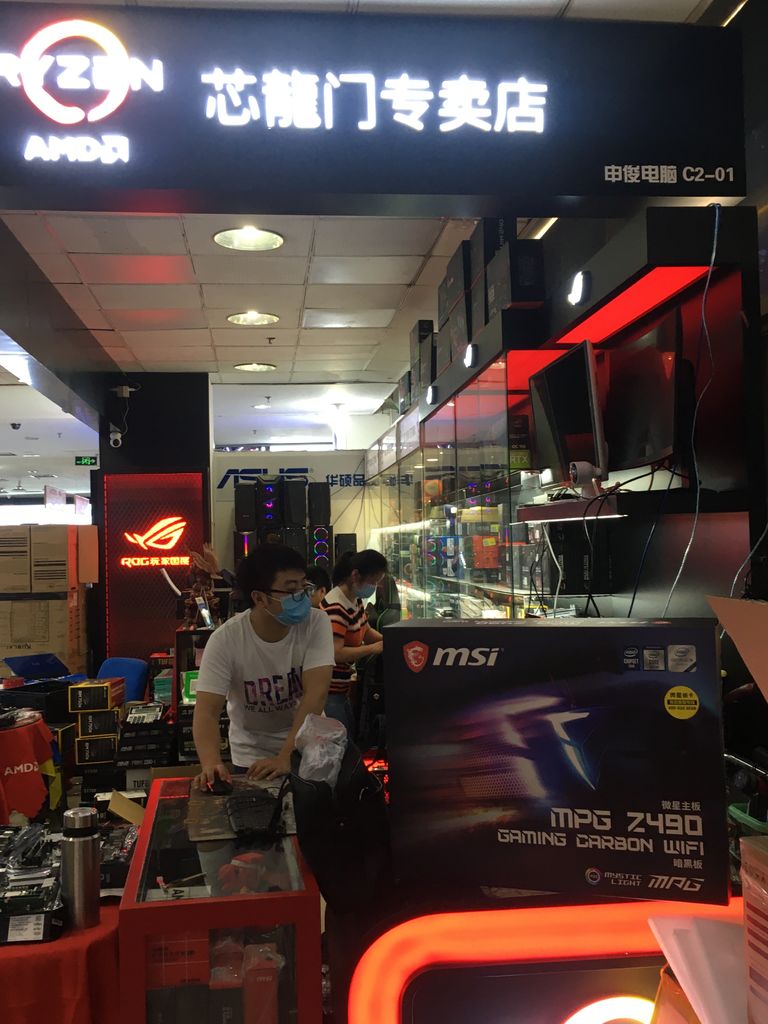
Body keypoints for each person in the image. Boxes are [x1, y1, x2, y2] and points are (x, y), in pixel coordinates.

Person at [193, 544, 334, 786]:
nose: (303, 596)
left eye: (304, 586)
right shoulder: (226, 640)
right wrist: (210, 763)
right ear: (259, 598)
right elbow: (207, 711)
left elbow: (316, 695)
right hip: (252, 755)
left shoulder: (317, 623)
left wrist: (286, 755)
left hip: (307, 746)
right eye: (292, 590)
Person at [322, 549, 388, 735]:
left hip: (342, 687)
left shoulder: (354, 600)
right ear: (355, 575)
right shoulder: (336, 607)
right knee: (340, 741)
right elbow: (336, 653)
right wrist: (372, 649)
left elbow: (365, 630)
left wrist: (390, 640)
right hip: (329, 689)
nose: (374, 587)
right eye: (373, 582)